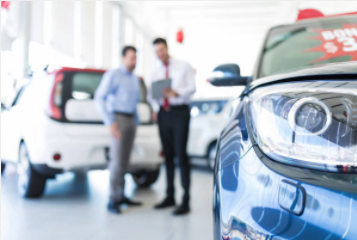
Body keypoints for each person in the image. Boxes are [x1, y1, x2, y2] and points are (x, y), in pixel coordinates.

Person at [151, 38, 196, 215]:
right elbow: (151, 96)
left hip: (179, 112)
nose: (160, 54)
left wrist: (176, 92)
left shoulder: (183, 65)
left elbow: (193, 87)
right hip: (163, 112)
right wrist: (155, 100)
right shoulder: (156, 72)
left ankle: (186, 200)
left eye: (162, 50)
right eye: (157, 51)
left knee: (180, 154)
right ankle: (170, 196)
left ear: (167, 48)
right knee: (167, 155)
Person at [94, 46, 142, 214]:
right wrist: (110, 122)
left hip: (130, 120)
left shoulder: (135, 79)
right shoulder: (113, 75)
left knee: (125, 161)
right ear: (123, 58)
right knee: (117, 161)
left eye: (136, 58)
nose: (134, 61)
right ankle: (113, 200)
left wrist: (137, 122)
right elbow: (99, 97)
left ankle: (121, 195)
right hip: (118, 119)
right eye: (131, 58)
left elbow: (134, 103)